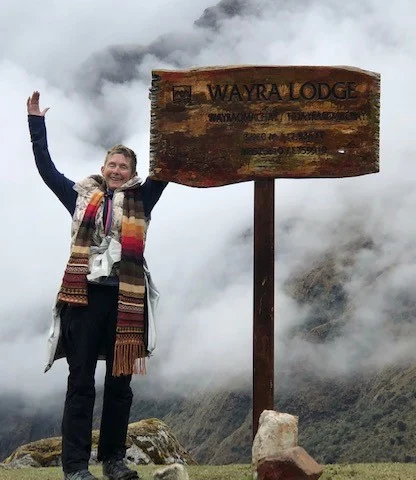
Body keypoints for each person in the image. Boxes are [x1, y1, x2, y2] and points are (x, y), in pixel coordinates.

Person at [27, 91, 167, 480]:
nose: (116, 171)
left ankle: (113, 461)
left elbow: (167, 167)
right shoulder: (79, 197)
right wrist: (36, 124)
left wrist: (180, 117)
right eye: (112, 164)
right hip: (83, 298)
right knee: (81, 382)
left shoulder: (144, 198)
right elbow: (46, 169)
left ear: (132, 172)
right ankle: (75, 467)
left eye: (123, 166)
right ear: (102, 166)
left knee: (120, 386)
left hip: (125, 298)